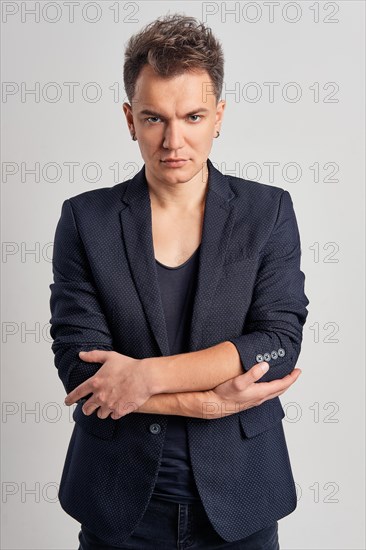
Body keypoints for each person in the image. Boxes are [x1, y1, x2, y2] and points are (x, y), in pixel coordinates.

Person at [49, 13, 309, 550]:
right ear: (129, 118)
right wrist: (202, 402)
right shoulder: (86, 220)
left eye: (192, 116)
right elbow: (80, 365)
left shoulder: (268, 212)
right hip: (118, 502)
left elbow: (278, 343)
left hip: (242, 499)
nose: (174, 141)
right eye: (153, 118)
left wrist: (145, 377)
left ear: (218, 116)